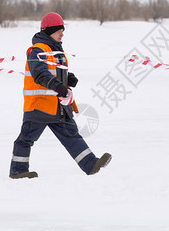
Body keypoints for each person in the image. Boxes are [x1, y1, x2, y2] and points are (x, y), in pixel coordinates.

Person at [9, 12, 111, 179]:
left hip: (58, 106)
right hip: (39, 106)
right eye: (59, 30)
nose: (62, 34)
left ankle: (91, 164)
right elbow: (40, 75)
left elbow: (54, 72)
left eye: (62, 30)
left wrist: (67, 78)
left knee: (71, 135)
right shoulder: (37, 51)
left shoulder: (55, 49)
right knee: (26, 138)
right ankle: (18, 171)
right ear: (49, 31)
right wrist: (58, 86)